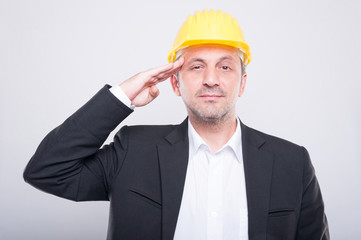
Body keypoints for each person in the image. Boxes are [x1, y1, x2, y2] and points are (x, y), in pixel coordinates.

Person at [24, 9, 329, 240]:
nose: (211, 79)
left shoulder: (292, 162)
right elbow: (47, 170)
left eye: (225, 66)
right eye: (196, 67)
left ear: (242, 83)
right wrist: (123, 95)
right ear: (175, 83)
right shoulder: (133, 150)